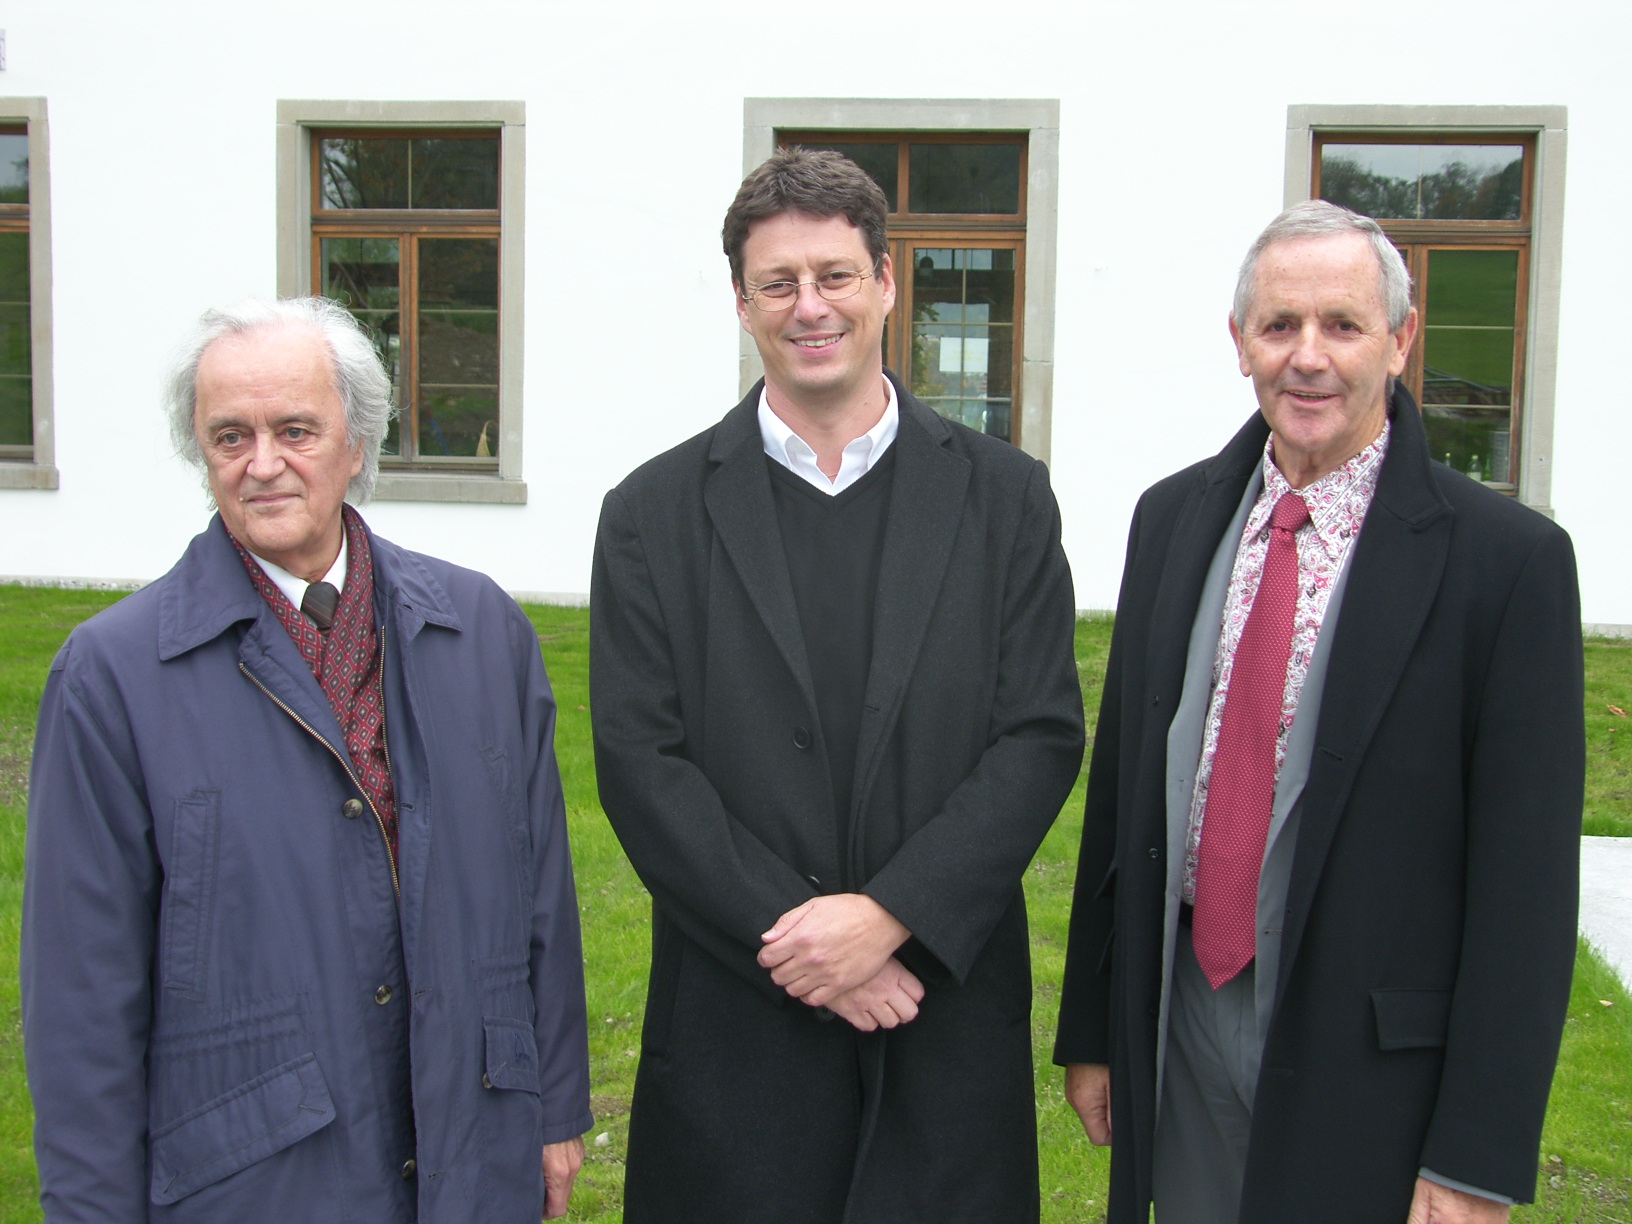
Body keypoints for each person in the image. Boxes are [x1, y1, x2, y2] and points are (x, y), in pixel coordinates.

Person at [1054, 200, 1584, 1224]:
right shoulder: (1172, 520)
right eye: (1280, 325)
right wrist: (1095, 1029)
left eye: (1343, 325)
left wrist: (1476, 1157)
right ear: (1239, 342)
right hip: (1186, 1015)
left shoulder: (1507, 564)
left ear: (1400, 340)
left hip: (1373, 1063)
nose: (1308, 357)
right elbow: (1121, 799)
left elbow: (1525, 891)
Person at [591, 147, 1085, 1223]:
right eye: (778, 283)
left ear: (887, 282)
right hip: (738, 1029)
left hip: (940, 1015)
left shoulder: (1005, 498)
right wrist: (806, 940)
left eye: (835, 275)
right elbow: (639, 762)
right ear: (742, 303)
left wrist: (894, 915)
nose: (809, 306)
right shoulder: (650, 515)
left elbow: (1040, 733)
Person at [22, 297, 592, 1222]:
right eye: (230, 436)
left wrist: (555, 1106)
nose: (263, 464)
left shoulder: (482, 629)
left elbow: (541, 898)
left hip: (474, 1153)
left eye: (295, 430)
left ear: (356, 442)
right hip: (259, 1179)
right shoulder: (113, 676)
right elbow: (81, 995)